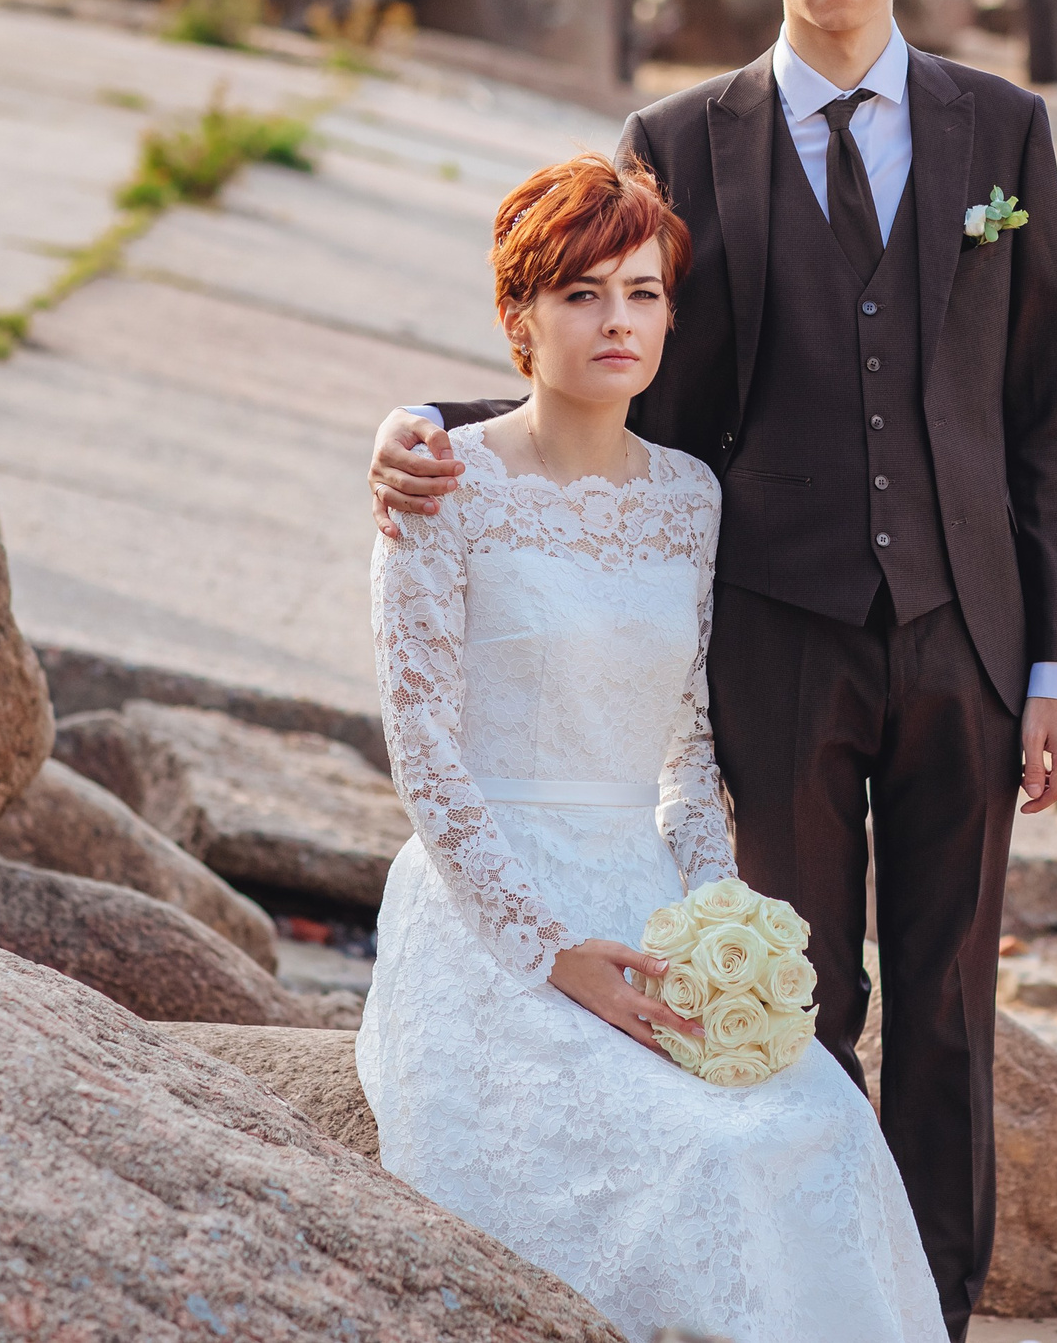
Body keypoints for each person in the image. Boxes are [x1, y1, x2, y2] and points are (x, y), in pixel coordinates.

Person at [367, 0, 1057, 1339]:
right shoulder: (681, 139)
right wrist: (429, 426)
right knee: (793, 990)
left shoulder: (1001, 131)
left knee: (954, 1004)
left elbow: (1047, 417)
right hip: (770, 632)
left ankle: (931, 1310)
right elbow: (607, 366)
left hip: (970, 633)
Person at [358, 152, 945, 1343]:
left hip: (639, 882)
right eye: (580, 294)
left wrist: (717, 920)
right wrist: (550, 949)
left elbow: (686, 753)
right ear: (519, 316)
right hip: (492, 911)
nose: (616, 320)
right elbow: (421, 748)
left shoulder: (689, 497)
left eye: (641, 291)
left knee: (817, 1124)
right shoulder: (439, 485)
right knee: (704, 1154)